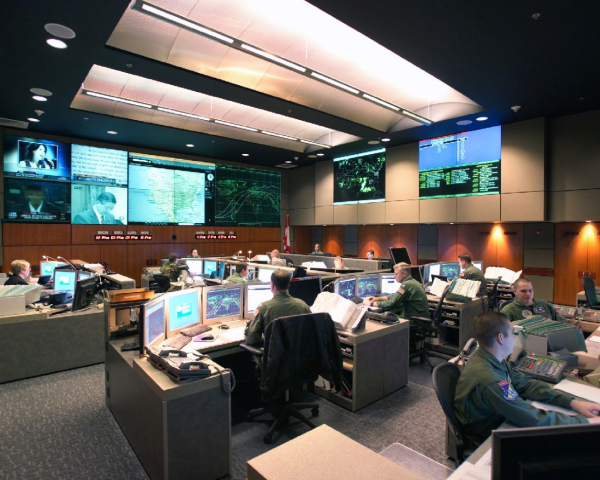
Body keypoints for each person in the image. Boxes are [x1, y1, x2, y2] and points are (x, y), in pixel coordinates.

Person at [454, 311, 600, 450]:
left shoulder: (491, 358)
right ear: (501, 338)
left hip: (498, 419)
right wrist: (585, 422)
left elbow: (525, 384)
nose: (514, 339)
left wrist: (572, 402)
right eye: (512, 333)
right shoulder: (490, 379)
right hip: (487, 438)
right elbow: (531, 417)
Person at [245, 269, 311, 345]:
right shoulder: (303, 306)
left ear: (272, 285)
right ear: (288, 284)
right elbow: (311, 333)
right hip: (298, 351)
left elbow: (252, 339)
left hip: (275, 352)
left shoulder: (264, 308)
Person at [364, 262, 430, 318]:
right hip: (418, 317)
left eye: (396, 274)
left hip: (415, 320)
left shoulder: (406, 285)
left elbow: (392, 303)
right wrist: (377, 299)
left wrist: (371, 303)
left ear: (404, 274)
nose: (394, 276)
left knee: (385, 321)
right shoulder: (412, 282)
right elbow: (395, 296)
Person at [501, 278, 566, 322]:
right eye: (523, 291)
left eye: (530, 290)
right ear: (515, 291)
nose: (528, 294)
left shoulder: (545, 305)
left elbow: (563, 323)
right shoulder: (508, 311)